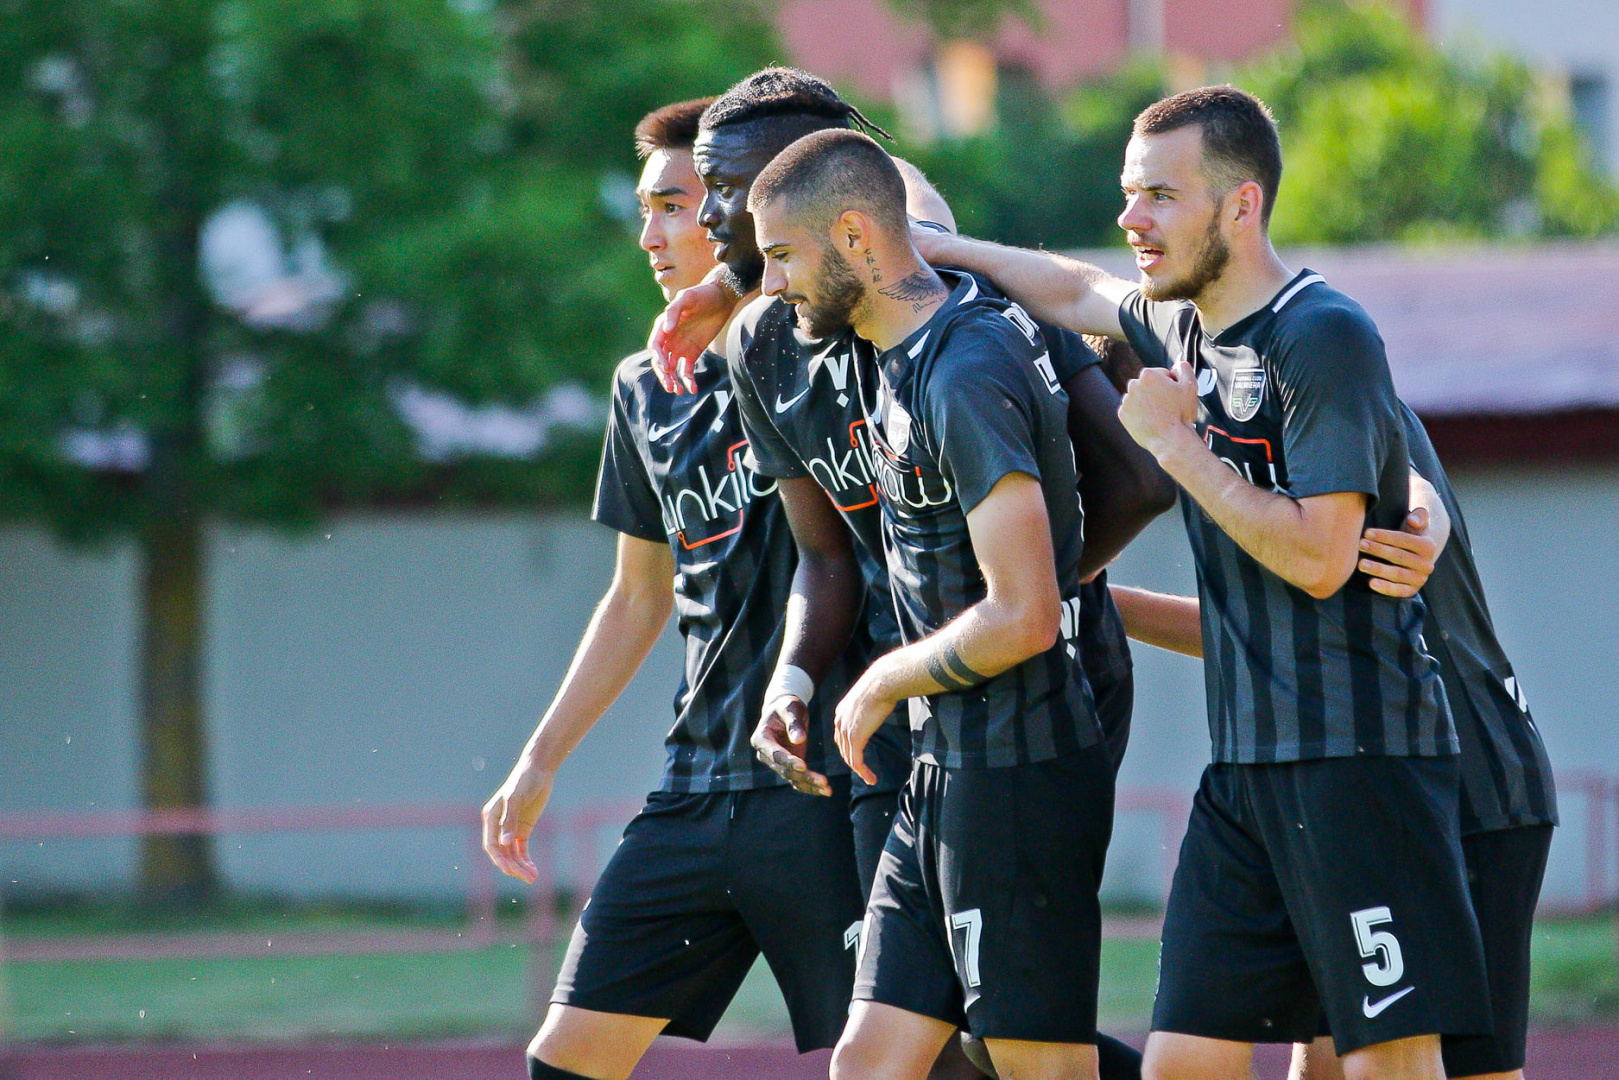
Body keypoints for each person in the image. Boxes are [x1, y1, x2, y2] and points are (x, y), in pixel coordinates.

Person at [913, 86, 1494, 1080]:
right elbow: (1069, 289)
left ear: (1240, 205)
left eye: (1158, 195)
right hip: (1243, 775)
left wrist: (1174, 448)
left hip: (1359, 764)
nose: (1129, 218)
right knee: (1180, 1060)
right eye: (1127, 193)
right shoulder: (1178, 327)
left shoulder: (1321, 333)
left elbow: (1318, 558)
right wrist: (939, 248)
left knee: (1386, 1065)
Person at [657, 66, 1169, 1080]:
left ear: (841, 213)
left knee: (1012, 1047)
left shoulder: (958, 340)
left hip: (1019, 717)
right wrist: (802, 677)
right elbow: (824, 555)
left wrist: (1007, 605)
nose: (709, 220)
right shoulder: (784, 338)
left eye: (729, 194)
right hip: (914, 720)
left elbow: (1126, 493)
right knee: (897, 1051)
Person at [480, 99, 866, 1080]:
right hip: (695, 786)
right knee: (565, 1061)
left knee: (938, 1060)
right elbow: (635, 597)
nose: (651, 235)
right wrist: (538, 760)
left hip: (829, 784)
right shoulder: (642, 388)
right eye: (643, 210)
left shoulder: (837, 347)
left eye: (677, 205)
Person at [749, 126, 1118, 1080]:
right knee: (868, 1061)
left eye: (782, 256)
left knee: (1033, 1065)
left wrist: (881, 679)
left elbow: (1024, 613)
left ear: (856, 237)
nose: (772, 283)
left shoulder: (965, 369)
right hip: (941, 764)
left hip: (1019, 770)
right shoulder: (897, 351)